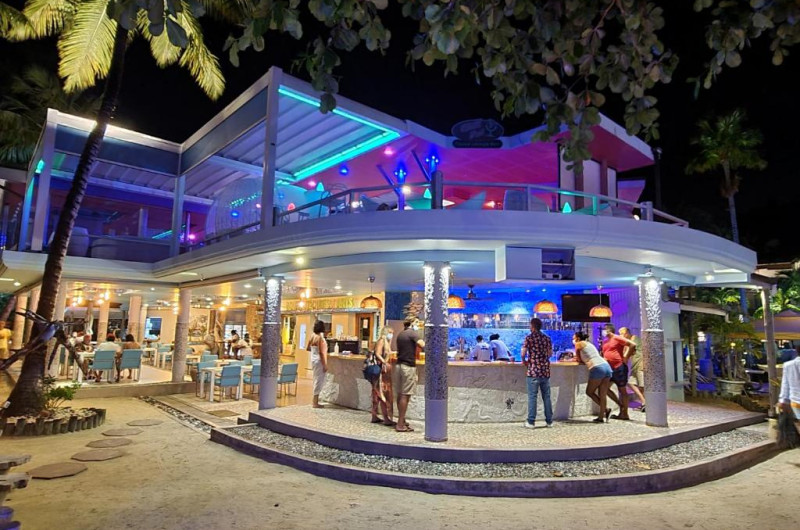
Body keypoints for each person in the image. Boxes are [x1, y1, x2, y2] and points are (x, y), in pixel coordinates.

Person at [601, 323, 639, 421]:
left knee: (622, 390)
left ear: (609, 330)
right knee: (604, 388)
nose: (603, 331)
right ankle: (620, 405)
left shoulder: (617, 338)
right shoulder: (605, 341)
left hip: (619, 367)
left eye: (604, 329)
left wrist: (626, 357)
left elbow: (632, 345)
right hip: (609, 368)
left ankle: (624, 413)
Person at [573, 331, 612, 423]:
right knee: (602, 394)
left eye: (574, 337)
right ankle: (601, 416)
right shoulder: (589, 344)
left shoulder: (578, 344)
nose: (573, 339)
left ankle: (606, 410)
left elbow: (579, 359)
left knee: (589, 392)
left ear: (578, 338)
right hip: (606, 366)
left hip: (597, 367)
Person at [393, 317, 424, 432]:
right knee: (405, 395)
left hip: (399, 366)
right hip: (408, 367)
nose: (418, 324)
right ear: (411, 323)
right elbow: (423, 345)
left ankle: (402, 420)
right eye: (417, 322)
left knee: (400, 394)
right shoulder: (412, 333)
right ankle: (400, 424)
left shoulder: (401, 334)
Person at [521, 318, 553, 428]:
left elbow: (523, 353)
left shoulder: (529, 338)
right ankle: (549, 421)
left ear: (533, 326)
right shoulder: (547, 338)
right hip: (545, 371)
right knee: (547, 396)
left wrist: (524, 361)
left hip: (533, 371)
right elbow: (550, 354)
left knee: (532, 397)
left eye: (530, 325)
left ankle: (531, 422)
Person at [370, 326, 396, 426]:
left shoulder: (386, 342)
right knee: (382, 393)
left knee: (377, 393)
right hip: (380, 370)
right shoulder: (381, 341)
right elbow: (377, 353)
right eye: (390, 332)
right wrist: (384, 362)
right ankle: (386, 418)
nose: (391, 335)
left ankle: (375, 415)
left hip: (381, 370)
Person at [620, 327, 646, 412]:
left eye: (622, 333)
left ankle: (645, 404)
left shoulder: (634, 339)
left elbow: (627, 353)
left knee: (642, 386)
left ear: (627, 333)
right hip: (635, 366)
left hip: (640, 365)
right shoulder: (629, 342)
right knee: (631, 383)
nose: (621, 335)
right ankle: (644, 402)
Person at [308, 320, 328, 408]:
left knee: (316, 378)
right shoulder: (319, 338)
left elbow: (308, 348)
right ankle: (315, 402)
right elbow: (321, 352)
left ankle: (315, 400)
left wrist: (314, 351)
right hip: (319, 360)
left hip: (313, 360)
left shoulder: (312, 336)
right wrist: (325, 364)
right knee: (319, 380)